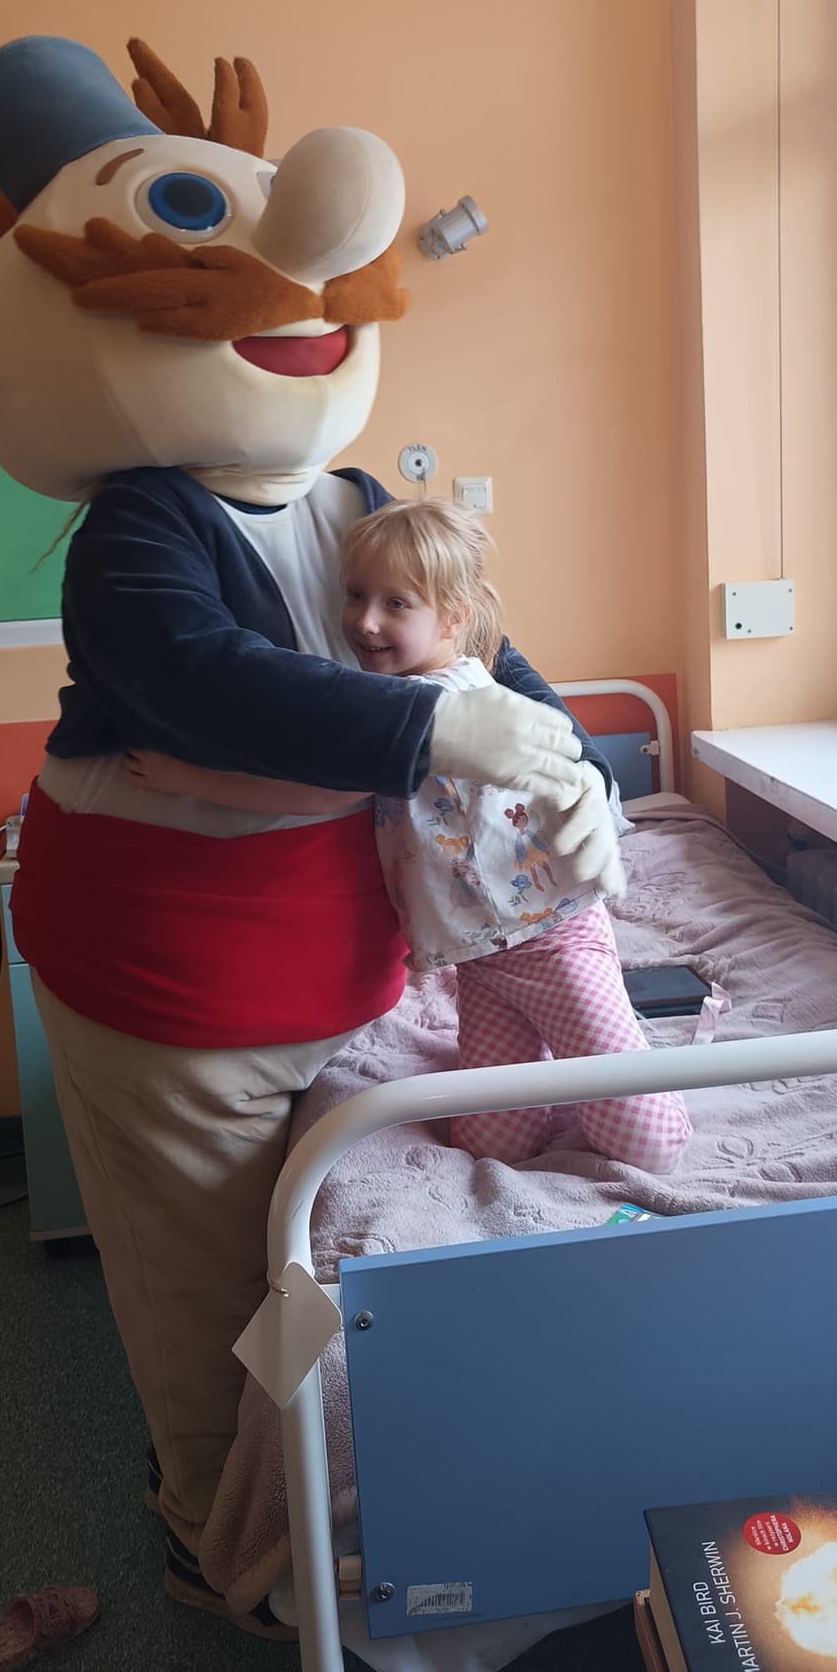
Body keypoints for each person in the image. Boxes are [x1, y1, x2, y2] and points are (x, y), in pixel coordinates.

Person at [0, 33, 625, 1629]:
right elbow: (201, 678)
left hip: (343, 973)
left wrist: (572, 763)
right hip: (176, 997)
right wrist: (436, 732)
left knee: (304, 1267)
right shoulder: (137, 526)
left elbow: (477, 647)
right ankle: (212, 1542)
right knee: (200, 1299)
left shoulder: (346, 504)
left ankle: (307, 1491)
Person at [130, 498, 692, 1172]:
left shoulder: (461, 705)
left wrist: (189, 780)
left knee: (649, 1144)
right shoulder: (383, 710)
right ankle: (564, 1078)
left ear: (453, 617)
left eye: (396, 604)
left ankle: (620, 1077)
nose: (365, 622)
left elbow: (317, 791)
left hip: (552, 938)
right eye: (355, 595)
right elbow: (317, 784)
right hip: (476, 961)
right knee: (487, 1145)